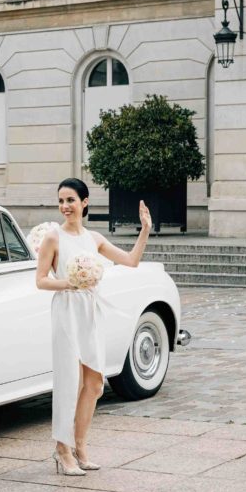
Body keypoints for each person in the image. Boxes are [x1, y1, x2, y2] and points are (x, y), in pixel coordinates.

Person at [35, 177, 151, 475]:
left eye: (70, 200)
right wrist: (70, 282)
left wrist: (145, 230)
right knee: (68, 381)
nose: (65, 206)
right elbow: (41, 280)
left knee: (95, 384)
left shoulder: (94, 238)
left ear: (85, 202)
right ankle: (62, 449)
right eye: (61, 200)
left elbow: (131, 261)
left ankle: (80, 446)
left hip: (90, 310)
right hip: (66, 309)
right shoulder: (53, 238)